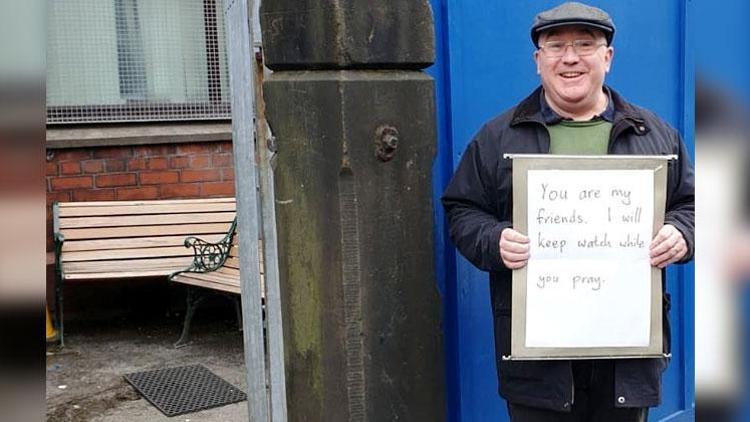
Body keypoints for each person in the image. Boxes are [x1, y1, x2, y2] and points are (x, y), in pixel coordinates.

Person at [441, 2, 695, 421]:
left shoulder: (655, 136)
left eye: (585, 44)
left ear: (607, 58)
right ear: (538, 60)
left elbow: (694, 206)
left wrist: (682, 232)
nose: (570, 57)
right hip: (539, 365)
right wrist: (493, 240)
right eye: (555, 46)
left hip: (625, 360)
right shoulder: (497, 137)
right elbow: (462, 209)